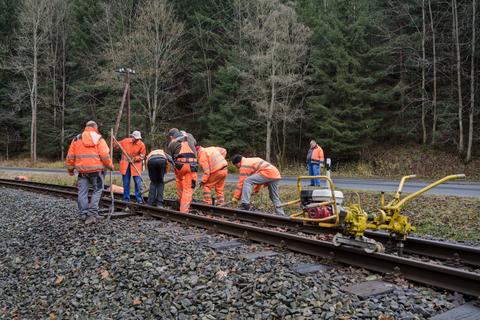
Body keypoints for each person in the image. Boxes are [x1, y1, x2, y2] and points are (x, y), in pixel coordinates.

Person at [66, 121, 113, 224]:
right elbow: (105, 155)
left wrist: (70, 169)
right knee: (97, 190)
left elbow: (70, 156)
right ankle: (92, 214)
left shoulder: (77, 139)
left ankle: (83, 214)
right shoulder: (98, 138)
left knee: (82, 192)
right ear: (95, 127)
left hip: (82, 171)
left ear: (86, 127)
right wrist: (110, 165)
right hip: (96, 171)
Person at [166, 128, 198, 213]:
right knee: (188, 188)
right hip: (192, 165)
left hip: (180, 166)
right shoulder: (189, 136)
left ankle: (180, 200)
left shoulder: (171, 144)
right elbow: (195, 143)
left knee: (179, 181)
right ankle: (184, 211)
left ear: (172, 136)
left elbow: (173, 158)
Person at [115, 130, 146, 203]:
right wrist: (114, 142)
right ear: (132, 136)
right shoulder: (125, 141)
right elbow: (116, 146)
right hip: (125, 166)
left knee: (138, 183)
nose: (137, 139)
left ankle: (139, 199)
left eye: (138, 138)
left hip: (136, 166)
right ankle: (126, 199)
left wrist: (134, 159)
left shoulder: (141, 145)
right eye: (135, 138)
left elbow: (142, 156)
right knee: (126, 183)